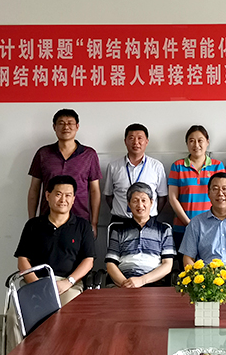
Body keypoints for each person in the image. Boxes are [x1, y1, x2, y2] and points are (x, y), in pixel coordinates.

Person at [9, 175, 95, 351]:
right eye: (58, 194)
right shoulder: (33, 225)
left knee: (70, 314)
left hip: (67, 286)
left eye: (68, 195)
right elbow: (22, 260)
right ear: (47, 196)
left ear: (74, 199)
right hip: (35, 283)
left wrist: (69, 281)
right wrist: (38, 285)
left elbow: (88, 260)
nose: (63, 199)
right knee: (14, 317)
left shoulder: (82, 226)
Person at [27, 108, 101, 237]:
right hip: (47, 220)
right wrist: (32, 221)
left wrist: (94, 222)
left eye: (70, 123)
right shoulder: (43, 153)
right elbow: (34, 189)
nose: (66, 127)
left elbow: (95, 190)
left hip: (80, 220)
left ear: (77, 127)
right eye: (61, 123)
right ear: (54, 127)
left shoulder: (89, 154)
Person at [105, 182, 175, 287]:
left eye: (144, 200)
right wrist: (127, 284)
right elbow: (110, 264)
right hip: (123, 284)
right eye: (135, 201)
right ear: (129, 204)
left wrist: (142, 280)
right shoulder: (118, 230)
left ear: (151, 202)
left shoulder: (164, 230)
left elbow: (167, 265)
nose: (140, 205)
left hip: (154, 284)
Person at [168, 125, 225, 249]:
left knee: (212, 261)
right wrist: (189, 224)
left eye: (200, 140)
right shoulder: (178, 166)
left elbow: (222, 197)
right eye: (192, 141)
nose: (196, 145)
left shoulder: (217, 166)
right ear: (187, 143)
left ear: (207, 142)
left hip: (211, 227)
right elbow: (172, 198)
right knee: (185, 261)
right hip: (183, 227)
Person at [104, 123, 168, 223]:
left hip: (148, 221)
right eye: (131, 138)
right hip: (120, 221)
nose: (136, 142)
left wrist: (149, 215)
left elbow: (162, 197)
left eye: (140, 138)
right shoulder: (113, 167)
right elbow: (109, 196)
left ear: (146, 141)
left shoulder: (156, 166)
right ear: (125, 141)